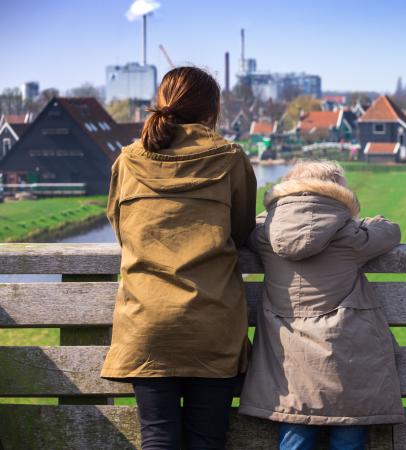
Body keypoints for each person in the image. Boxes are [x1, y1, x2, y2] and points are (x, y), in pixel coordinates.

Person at [100, 66, 256, 449]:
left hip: (147, 323)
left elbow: (122, 229)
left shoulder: (128, 160)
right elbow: (240, 230)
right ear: (210, 111)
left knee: (158, 436)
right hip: (211, 321)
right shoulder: (230, 158)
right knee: (207, 439)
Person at [238, 160, 403, 450]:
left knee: (294, 437)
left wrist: (277, 210)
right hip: (346, 369)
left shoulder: (265, 238)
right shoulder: (351, 238)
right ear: (338, 193)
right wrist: (358, 221)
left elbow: (256, 225)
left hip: (288, 370)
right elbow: (390, 231)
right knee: (349, 437)